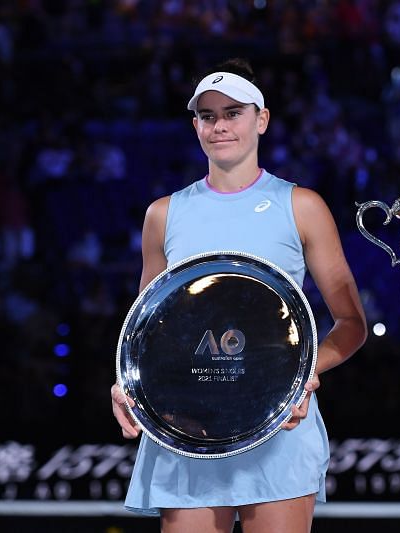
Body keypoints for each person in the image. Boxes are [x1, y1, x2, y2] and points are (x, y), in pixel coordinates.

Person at [110, 58, 367, 533]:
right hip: (187, 427)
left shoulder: (302, 206)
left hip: (277, 426)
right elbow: (147, 330)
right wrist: (128, 383)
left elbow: (351, 324)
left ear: (261, 120)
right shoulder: (163, 215)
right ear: (195, 126)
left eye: (233, 112)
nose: (220, 125)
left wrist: (303, 372)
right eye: (208, 116)